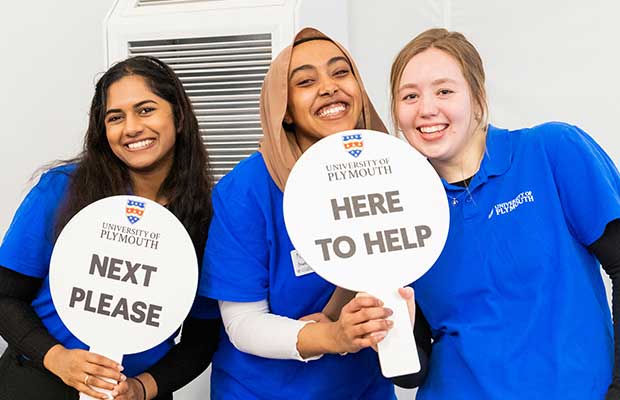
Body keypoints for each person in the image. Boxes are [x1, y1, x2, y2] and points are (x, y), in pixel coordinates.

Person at [386, 28, 620, 399]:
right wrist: (391, 328)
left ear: (477, 99)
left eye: (444, 91)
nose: (426, 108)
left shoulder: (551, 151)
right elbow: (412, 374)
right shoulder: (400, 210)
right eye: (410, 96)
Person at [0, 56, 220, 400]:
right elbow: (5, 295)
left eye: (146, 110)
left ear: (177, 116)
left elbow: (202, 334)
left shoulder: (207, 213)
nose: (131, 128)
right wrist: (59, 360)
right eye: (115, 117)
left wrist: (142, 388)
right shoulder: (62, 190)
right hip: (38, 382)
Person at [199, 28, 400, 399]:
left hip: (362, 388)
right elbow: (243, 324)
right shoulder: (247, 191)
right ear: (285, 111)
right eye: (306, 81)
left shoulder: (396, 171)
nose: (328, 87)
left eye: (341, 73)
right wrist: (332, 336)